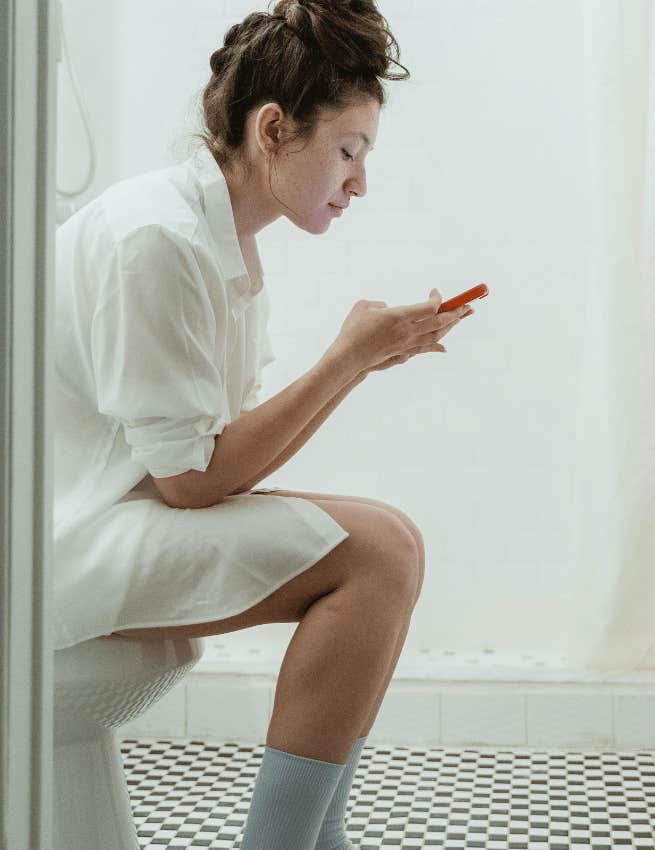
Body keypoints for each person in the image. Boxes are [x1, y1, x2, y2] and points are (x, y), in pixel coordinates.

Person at [52, 1, 473, 847]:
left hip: (110, 516)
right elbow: (192, 479)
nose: (359, 182)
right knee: (379, 552)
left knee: (393, 538)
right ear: (274, 129)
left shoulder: (214, 237)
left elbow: (207, 453)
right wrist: (346, 360)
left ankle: (317, 839)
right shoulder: (156, 239)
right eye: (348, 152)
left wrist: (363, 357)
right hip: (58, 546)